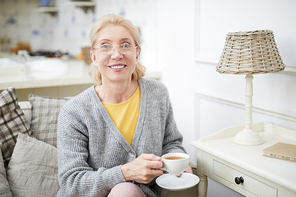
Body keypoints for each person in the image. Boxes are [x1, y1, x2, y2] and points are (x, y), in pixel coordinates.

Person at [56, 14, 192, 197]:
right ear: (94, 56)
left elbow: (171, 144)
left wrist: (178, 164)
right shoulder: (74, 112)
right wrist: (125, 173)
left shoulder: (157, 94)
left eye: (125, 45)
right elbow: (71, 182)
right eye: (106, 46)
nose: (116, 54)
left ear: (137, 53)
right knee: (124, 190)